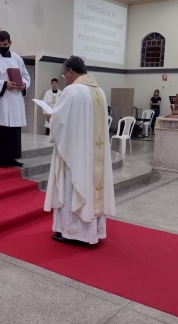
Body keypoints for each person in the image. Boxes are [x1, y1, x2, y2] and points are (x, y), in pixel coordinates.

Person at [44, 56, 116, 245]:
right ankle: (93, 232)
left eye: (64, 74)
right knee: (92, 188)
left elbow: (60, 123)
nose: (64, 78)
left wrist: (50, 117)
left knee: (72, 189)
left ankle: (73, 232)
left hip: (76, 154)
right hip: (93, 155)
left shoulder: (72, 91)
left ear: (70, 72)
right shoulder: (99, 91)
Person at [0, 30, 30, 168]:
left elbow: (25, 76)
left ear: (10, 43)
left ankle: (11, 157)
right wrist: (4, 84)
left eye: (5, 44)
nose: (3, 46)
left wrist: (24, 84)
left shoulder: (17, 58)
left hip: (14, 99)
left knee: (12, 131)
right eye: (0, 44)